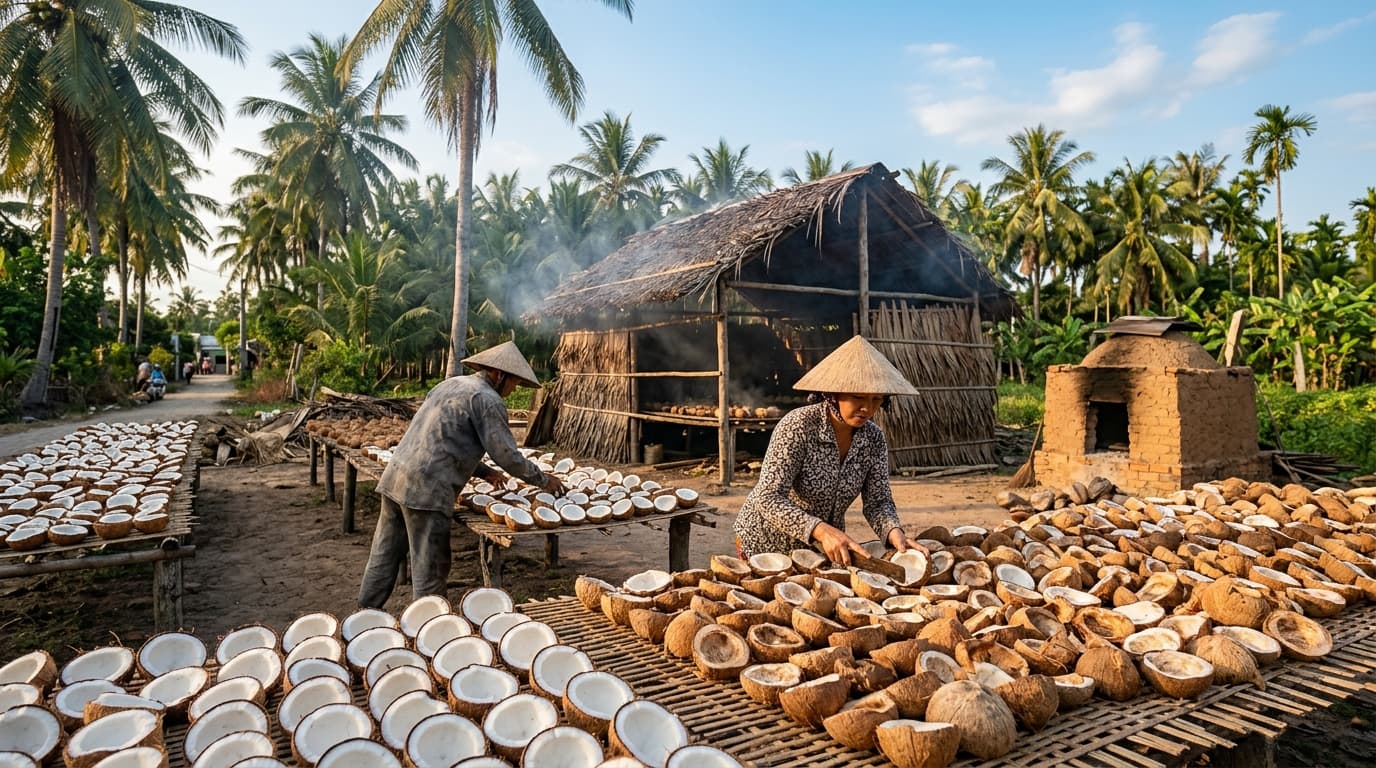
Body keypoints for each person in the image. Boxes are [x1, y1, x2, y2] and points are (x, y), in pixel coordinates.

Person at [358, 341, 566, 608]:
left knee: (382, 557)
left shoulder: (450, 385)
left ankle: (362, 617)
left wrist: (483, 470)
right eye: (514, 383)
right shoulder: (487, 400)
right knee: (429, 570)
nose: (513, 390)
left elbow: (439, 438)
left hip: (396, 478)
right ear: (499, 375)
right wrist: (544, 480)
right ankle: (428, 629)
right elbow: (508, 456)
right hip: (427, 491)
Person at [733, 335, 928, 566]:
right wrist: (819, 529)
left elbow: (878, 501)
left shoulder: (873, 438)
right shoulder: (798, 426)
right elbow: (768, 497)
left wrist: (893, 532)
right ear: (833, 394)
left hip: (823, 550)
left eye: (877, 399)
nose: (867, 408)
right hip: (766, 544)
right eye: (858, 397)